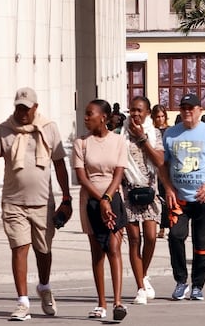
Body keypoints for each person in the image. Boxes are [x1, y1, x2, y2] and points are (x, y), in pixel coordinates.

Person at [0, 87, 71, 321]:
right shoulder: (4, 130)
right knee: (19, 248)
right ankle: (22, 301)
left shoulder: (49, 128)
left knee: (43, 250)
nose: (22, 113)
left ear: (35, 108)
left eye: (26, 109)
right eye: (18, 108)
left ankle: (44, 286)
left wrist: (66, 198)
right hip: (14, 202)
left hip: (42, 201)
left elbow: (59, 164)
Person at [161, 93, 205, 301]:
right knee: (175, 237)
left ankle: (198, 285)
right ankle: (181, 281)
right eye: (183, 108)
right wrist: (168, 188)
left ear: (200, 110)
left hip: (204, 199)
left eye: (191, 108)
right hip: (179, 199)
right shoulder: (171, 134)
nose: (187, 112)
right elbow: (163, 165)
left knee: (202, 245)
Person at [74, 99, 129, 320]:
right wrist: (100, 200)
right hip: (90, 201)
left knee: (114, 247)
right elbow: (82, 177)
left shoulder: (118, 141)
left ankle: (118, 302)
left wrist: (107, 199)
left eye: (90, 114)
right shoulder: (81, 143)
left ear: (103, 117)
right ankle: (101, 303)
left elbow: (118, 173)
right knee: (97, 250)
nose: (86, 118)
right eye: (86, 114)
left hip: (113, 198)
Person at [121, 96, 163, 305]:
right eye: (133, 110)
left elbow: (160, 161)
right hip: (128, 192)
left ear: (147, 113)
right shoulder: (120, 134)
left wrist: (142, 139)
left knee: (151, 237)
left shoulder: (154, 134)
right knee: (134, 239)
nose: (136, 114)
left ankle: (143, 273)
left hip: (150, 192)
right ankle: (140, 286)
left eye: (140, 110)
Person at [151, 104, 171, 239]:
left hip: (168, 166)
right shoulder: (151, 131)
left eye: (162, 116)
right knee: (158, 197)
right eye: (158, 117)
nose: (160, 119)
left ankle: (168, 224)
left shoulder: (170, 131)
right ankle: (161, 226)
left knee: (167, 196)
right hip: (155, 167)